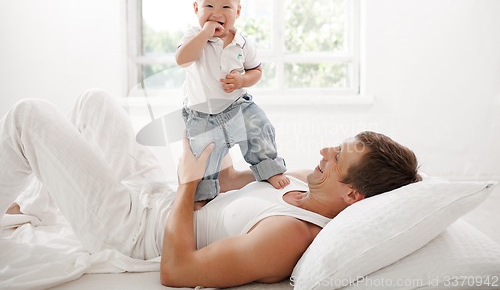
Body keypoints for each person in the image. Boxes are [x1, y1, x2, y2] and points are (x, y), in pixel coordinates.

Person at [0, 89, 421, 288]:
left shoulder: (289, 234)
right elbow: (233, 182)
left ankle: (24, 204)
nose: (326, 149)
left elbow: (176, 270)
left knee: (28, 115)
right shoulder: (295, 181)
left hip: (133, 230)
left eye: (339, 156)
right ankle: (33, 209)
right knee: (93, 102)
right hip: (156, 194)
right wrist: (220, 126)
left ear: (353, 196)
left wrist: (186, 184)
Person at [175, 0, 289, 202]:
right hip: (202, 114)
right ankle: (203, 193)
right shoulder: (194, 35)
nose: (216, 13)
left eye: (226, 7)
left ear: (237, 12)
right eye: (209, 6)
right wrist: (205, 32)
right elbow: (182, 59)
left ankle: (268, 168)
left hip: (238, 107)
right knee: (204, 155)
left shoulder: (243, 42)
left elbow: (256, 71)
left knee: (260, 127)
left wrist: (242, 81)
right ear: (196, 8)